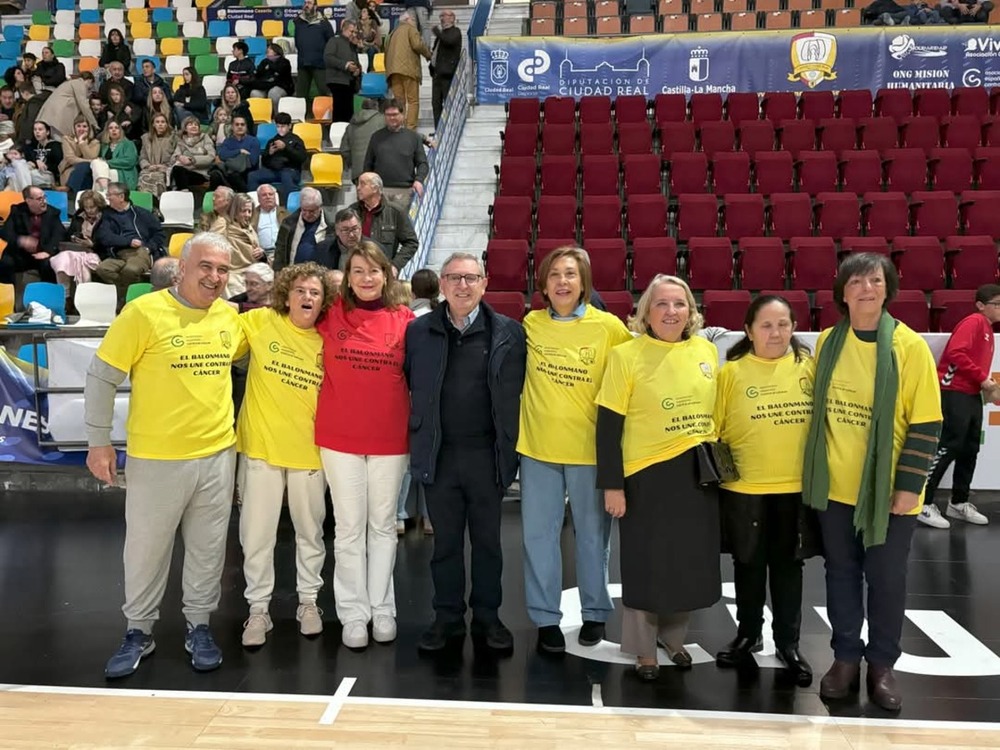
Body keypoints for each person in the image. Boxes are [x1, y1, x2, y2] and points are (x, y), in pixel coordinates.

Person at [85, 232, 248, 679]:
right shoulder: (143, 312)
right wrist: (98, 440)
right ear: (182, 269)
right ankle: (139, 630)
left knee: (209, 548)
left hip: (217, 454)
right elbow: (101, 376)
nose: (215, 277)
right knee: (145, 549)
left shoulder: (229, 318)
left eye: (222, 269)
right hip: (156, 458)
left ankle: (199, 624)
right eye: (206, 267)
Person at [803, 252, 942, 711]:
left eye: (876, 280)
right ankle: (844, 657)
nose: (867, 288)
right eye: (857, 281)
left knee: (886, 578)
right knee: (840, 574)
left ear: (889, 288)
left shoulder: (909, 347)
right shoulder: (827, 342)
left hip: (889, 492)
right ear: (842, 292)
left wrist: (907, 486)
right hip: (835, 489)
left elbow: (926, 424)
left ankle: (881, 663)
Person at [594, 275, 721, 679]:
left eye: (679, 304)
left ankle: (674, 639)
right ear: (646, 312)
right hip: (645, 474)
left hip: (696, 473)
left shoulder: (705, 351)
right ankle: (642, 648)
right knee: (645, 564)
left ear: (691, 311)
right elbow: (608, 425)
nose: (671, 312)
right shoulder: (626, 355)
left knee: (685, 561)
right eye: (662, 304)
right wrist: (612, 484)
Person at [405, 253, 526, 653]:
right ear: (441, 284)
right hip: (440, 456)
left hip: (487, 456)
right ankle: (448, 618)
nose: (462, 286)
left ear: (484, 283)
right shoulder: (419, 332)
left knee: (489, 544)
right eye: (454, 278)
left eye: (470, 278)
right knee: (446, 545)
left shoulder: (509, 332)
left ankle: (489, 618)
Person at [518, 246, 633, 654]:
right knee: (538, 537)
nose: (562, 282)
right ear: (544, 286)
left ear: (583, 282)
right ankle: (545, 617)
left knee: (592, 538)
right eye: (554, 275)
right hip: (538, 449)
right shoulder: (529, 325)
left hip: (590, 453)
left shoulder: (609, 328)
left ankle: (595, 614)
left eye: (570, 274)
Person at [713, 295, 819, 686]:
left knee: (789, 567)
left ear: (793, 328)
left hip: (795, 488)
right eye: (766, 325)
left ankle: (788, 643)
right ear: (748, 331)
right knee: (748, 564)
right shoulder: (732, 374)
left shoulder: (809, 368)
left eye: (783, 325)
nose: (776, 333)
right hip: (744, 487)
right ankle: (748, 633)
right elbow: (715, 430)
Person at [316, 241, 414, 649]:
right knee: (349, 529)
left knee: (383, 527)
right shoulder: (329, 315)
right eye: (358, 271)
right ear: (347, 277)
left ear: (387, 274)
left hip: (391, 440)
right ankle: (353, 613)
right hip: (339, 439)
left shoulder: (406, 320)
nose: (367, 278)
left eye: (374, 270)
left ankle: (383, 608)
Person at [237, 262, 333, 647]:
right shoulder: (260, 322)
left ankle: (309, 602)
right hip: (261, 449)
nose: (307, 297)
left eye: (314, 292)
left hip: (310, 452)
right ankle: (257, 609)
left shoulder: (329, 338)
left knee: (310, 533)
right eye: (300, 291)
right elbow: (216, 330)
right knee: (256, 536)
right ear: (286, 295)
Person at [919, 283, 1000, 529]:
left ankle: (959, 501)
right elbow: (956, 353)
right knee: (948, 446)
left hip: (972, 394)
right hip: (954, 392)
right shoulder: (974, 322)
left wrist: (984, 387)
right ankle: (923, 503)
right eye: (997, 304)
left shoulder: (986, 328)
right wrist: (982, 378)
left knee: (970, 448)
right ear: (980, 305)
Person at [94, 183, 165, 307]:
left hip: (141, 252)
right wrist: (127, 242)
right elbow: (104, 237)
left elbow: (159, 234)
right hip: (119, 254)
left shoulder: (142, 213)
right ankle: (130, 296)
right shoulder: (107, 215)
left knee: (131, 270)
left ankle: (122, 303)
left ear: (121, 197)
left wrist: (148, 248)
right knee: (102, 269)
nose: (107, 197)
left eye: (110, 195)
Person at [363, 99, 429, 213]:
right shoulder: (376, 137)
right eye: (388, 115)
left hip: (405, 192)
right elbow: (368, 164)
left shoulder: (414, 137)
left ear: (402, 115)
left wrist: (419, 180)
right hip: (380, 191)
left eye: (394, 114)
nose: (391, 118)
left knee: (401, 228)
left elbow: (422, 163)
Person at [351, 172, 418, 274]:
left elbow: (411, 242)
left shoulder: (395, 212)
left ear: (375, 188)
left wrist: (395, 265)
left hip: (383, 271)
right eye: (357, 184)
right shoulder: (352, 211)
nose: (358, 188)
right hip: (357, 269)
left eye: (363, 184)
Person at [0, 186, 64, 288]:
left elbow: (59, 234)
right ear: (28, 201)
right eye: (39, 199)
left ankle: (47, 297)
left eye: (44, 197)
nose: (44, 201)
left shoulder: (52, 213)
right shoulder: (17, 211)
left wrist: (48, 252)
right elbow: (5, 231)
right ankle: (8, 297)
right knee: (6, 263)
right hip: (20, 254)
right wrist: (21, 240)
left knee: (48, 264)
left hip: (43, 252)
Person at [384, 12, 432, 131]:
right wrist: (428, 55)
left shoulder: (392, 33)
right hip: (408, 69)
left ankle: (400, 127)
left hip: (393, 71)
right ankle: (410, 129)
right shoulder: (410, 29)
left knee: (399, 102)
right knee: (413, 101)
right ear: (408, 19)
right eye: (413, 20)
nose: (415, 22)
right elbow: (417, 45)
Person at [51, 189, 105, 292]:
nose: (89, 210)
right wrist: (74, 237)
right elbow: (69, 234)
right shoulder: (79, 216)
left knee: (81, 262)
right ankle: (66, 296)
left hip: (97, 252)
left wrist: (92, 244)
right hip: (77, 250)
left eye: (92, 207)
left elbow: (108, 241)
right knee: (62, 259)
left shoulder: (106, 218)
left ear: (99, 205)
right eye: (86, 207)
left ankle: (84, 295)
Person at [272, 188, 339, 271]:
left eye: (311, 211)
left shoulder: (331, 225)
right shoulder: (288, 223)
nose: (307, 214)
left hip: (319, 275)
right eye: (304, 210)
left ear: (320, 207)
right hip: (292, 272)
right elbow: (280, 251)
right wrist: (278, 273)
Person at [247, 112, 306, 202]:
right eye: (278, 126)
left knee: (286, 175)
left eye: (283, 126)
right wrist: (269, 153)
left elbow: (302, 158)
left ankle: (290, 207)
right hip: (273, 171)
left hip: (291, 170)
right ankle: (255, 204)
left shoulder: (296, 140)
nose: (280, 129)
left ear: (289, 126)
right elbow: (264, 162)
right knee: (252, 176)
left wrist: (286, 148)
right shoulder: (272, 140)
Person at [222, 192, 267, 298]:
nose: (247, 215)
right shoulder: (224, 225)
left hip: (253, 275)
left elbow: (257, 250)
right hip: (233, 278)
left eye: (249, 211)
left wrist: (262, 254)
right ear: (235, 211)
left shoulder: (249, 228)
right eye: (243, 211)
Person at [294, 0, 335, 107]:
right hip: (303, 63)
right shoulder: (298, 22)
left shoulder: (324, 23)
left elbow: (331, 43)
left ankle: (327, 120)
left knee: (325, 92)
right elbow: (297, 41)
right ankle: (304, 119)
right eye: (305, 3)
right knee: (301, 95)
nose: (306, 5)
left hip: (320, 63)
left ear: (316, 6)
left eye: (310, 3)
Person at [35, 72, 98, 140]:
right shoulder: (79, 83)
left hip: (52, 115)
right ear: (90, 80)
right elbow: (83, 104)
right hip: (58, 117)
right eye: (90, 87)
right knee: (61, 143)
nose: (89, 90)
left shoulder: (69, 83)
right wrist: (93, 123)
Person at [324, 20, 362, 124]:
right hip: (337, 81)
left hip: (349, 82)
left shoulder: (351, 45)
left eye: (355, 32)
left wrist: (357, 70)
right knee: (340, 113)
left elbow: (355, 62)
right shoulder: (334, 41)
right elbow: (328, 57)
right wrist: (345, 65)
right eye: (351, 31)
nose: (353, 34)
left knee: (348, 114)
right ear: (344, 29)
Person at [430, 10, 462, 130]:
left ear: (452, 18)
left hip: (448, 74)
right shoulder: (442, 34)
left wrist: (437, 32)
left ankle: (450, 128)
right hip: (437, 74)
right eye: (441, 16)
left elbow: (449, 41)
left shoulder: (455, 32)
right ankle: (438, 129)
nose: (442, 18)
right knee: (435, 104)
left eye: (445, 16)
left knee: (448, 103)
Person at [210, 114, 259, 192]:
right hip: (228, 171)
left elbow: (253, 161)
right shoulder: (228, 141)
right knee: (215, 175)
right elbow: (222, 155)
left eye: (242, 124)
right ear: (232, 127)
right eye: (237, 124)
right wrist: (239, 151)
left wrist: (231, 156)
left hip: (245, 172)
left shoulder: (253, 141)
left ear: (246, 127)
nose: (240, 127)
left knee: (235, 175)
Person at [170, 116, 216, 192]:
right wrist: (179, 157)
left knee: (180, 173)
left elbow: (211, 156)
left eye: (196, 125)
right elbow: (173, 158)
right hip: (185, 171)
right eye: (190, 124)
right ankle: (184, 192)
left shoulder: (205, 138)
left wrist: (192, 160)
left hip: (201, 173)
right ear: (185, 128)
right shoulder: (181, 141)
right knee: (177, 169)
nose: (194, 126)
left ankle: (184, 192)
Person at [342, 98, 384, 181]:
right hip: (377, 171)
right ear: (377, 107)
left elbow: (344, 150)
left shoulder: (351, 125)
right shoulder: (382, 120)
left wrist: (353, 163)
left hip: (358, 172)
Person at [91, 120, 138, 194]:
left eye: (116, 128)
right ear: (107, 131)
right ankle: (104, 191)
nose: (113, 130)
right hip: (106, 171)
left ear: (120, 131)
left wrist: (108, 162)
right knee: (95, 163)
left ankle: (102, 195)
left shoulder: (128, 144)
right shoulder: (104, 145)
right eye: (110, 128)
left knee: (100, 175)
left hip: (123, 172)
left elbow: (130, 161)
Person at [138, 113, 176, 198]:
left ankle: (158, 205)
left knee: (157, 179)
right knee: (144, 178)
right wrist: (147, 166)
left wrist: (165, 166)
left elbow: (176, 155)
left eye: (163, 122)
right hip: (149, 168)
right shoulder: (146, 138)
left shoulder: (174, 138)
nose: (160, 124)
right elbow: (142, 157)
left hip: (166, 169)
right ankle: (145, 205)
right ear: (153, 124)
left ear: (167, 124)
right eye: (157, 122)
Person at [59, 115, 101, 193]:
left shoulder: (95, 142)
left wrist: (82, 143)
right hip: (70, 169)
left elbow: (91, 156)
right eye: (78, 126)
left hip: (89, 172)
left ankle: (69, 189)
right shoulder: (67, 139)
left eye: (84, 126)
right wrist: (89, 161)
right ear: (74, 128)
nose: (81, 129)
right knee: (84, 165)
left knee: (85, 167)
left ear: (89, 128)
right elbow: (71, 159)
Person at [249, 44, 294, 114]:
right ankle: (263, 116)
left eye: (269, 49)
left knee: (273, 93)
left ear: (276, 51)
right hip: (265, 86)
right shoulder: (264, 62)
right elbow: (258, 74)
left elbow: (279, 74)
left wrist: (269, 66)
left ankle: (277, 115)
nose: (267, 50)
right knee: (254, 93)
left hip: (281, 86)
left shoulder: (284, 62)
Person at [20, 119, 62, 187]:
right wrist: (36, 161)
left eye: (40, 129)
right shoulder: (32, 146)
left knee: (30, 174)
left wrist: (46, 166)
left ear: (47, 132)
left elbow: (58, 164)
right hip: (34, 172)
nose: (37, 132)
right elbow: (28, 156)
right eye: (35, 129)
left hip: (48, 174)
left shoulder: (55, 145)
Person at [251, 185, 287, 261]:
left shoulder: (285, 214)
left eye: (271, 194)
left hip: (281, 253)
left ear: (275, 197)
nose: (268, 197)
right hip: (260, 254)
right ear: (258, 199)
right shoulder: (251, 215)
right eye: (264, 195)